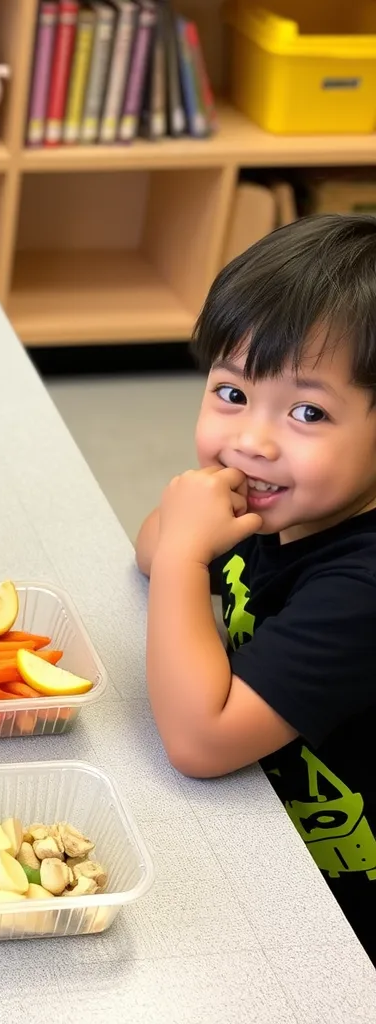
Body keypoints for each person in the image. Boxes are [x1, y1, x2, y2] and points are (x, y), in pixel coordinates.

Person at [136, 213, 376, 961]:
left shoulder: (363, 587)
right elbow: (154, 545)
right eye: (232, 393)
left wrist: (184, 555)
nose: (252, 441)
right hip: (258, 828)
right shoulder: (284, 498)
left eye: (308, 411)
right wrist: (181, 543)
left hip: (342, 908)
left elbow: (201, 740)